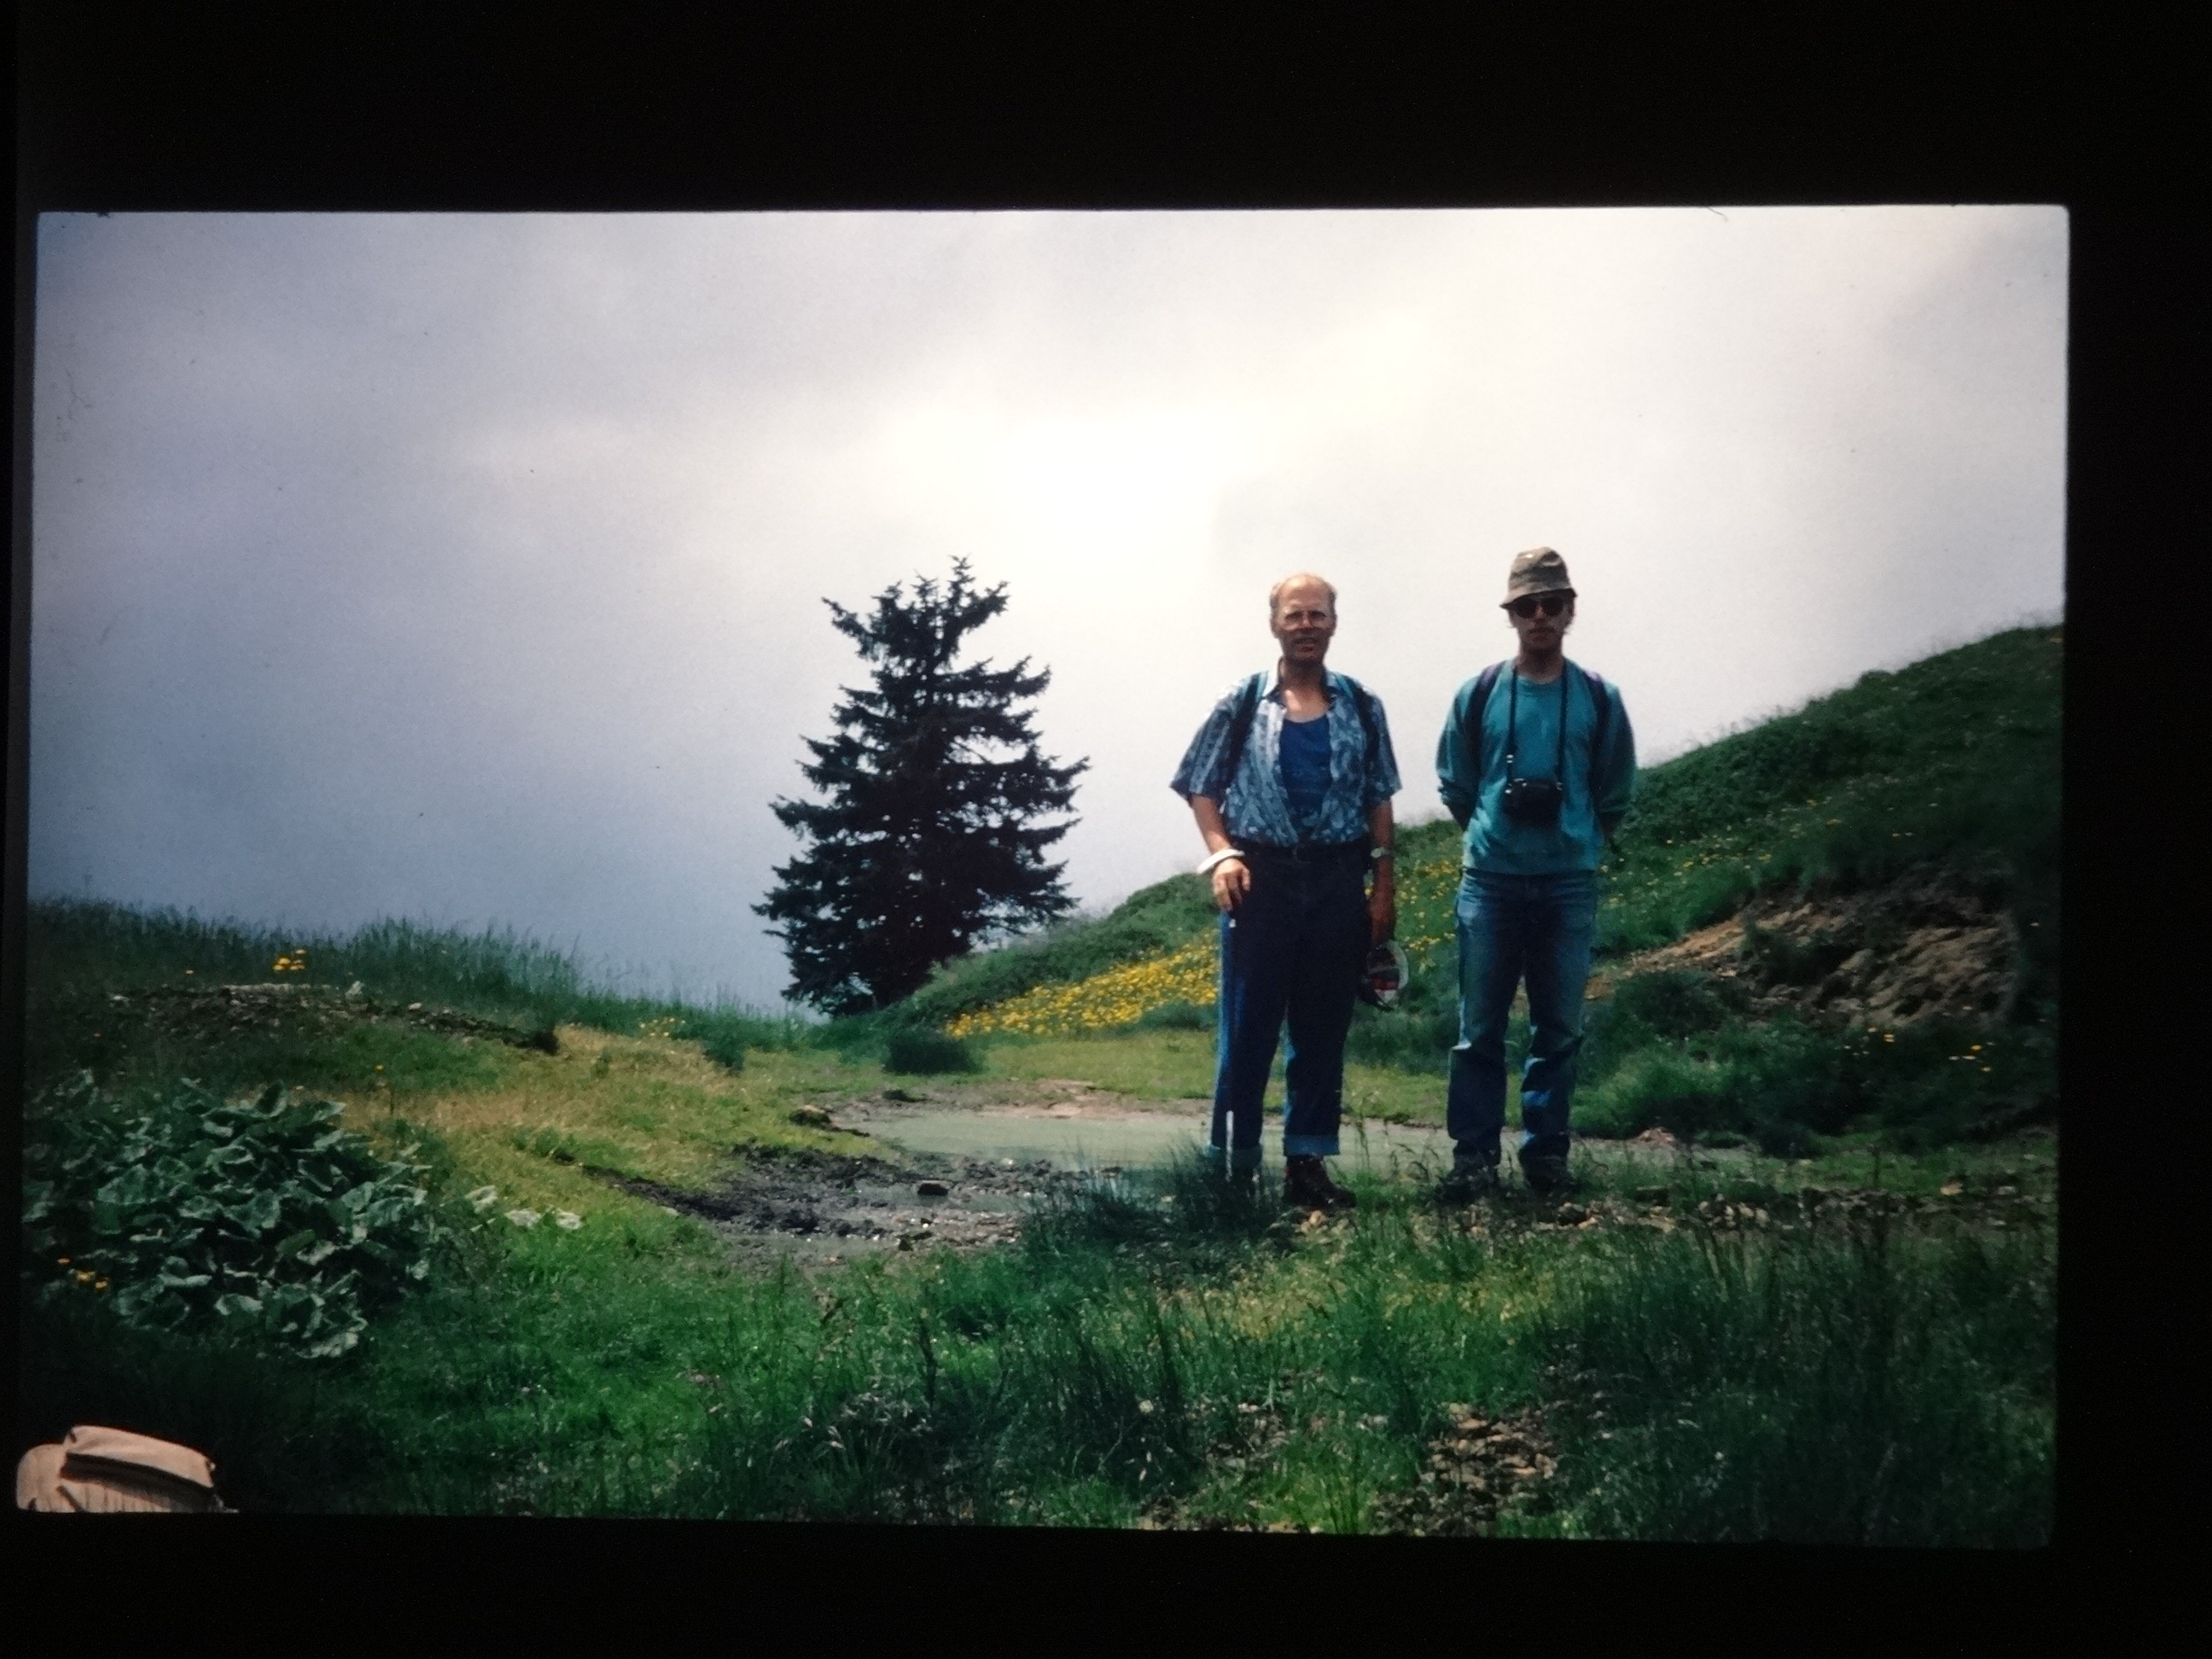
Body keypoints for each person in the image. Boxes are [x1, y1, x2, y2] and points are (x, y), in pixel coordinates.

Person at [1170, 574, 1401, 1210]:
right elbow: (1200, 785)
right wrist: (1222, 853)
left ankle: (1308, 1170)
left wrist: (1382, 886)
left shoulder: (1362, 705)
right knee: (1248, 1030)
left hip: (1336, 880)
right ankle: (1234, 1173)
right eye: (1294, 615)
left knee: (1322, 1033)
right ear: (1274, 624)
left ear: (1334, 623)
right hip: (1260, 882)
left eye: (1318, 614)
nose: (1306, 625)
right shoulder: (1242, 702)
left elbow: (1379, 795)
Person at [1434, 547, 1637, 1197]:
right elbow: (1455, 782)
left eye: (1553, 604)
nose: (1541, 616)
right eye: (1528, 606)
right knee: (1479, 1030)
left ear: (1571, 611)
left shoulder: (1600, 698)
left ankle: (1546, 1159)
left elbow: (1615, 789)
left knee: (1559, 1027)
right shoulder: (1480, 693)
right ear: (1511, 615)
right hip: (1489, 882)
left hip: (1568, 882)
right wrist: (1493, 833)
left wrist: (1579, 837)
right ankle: (1473, 1163)